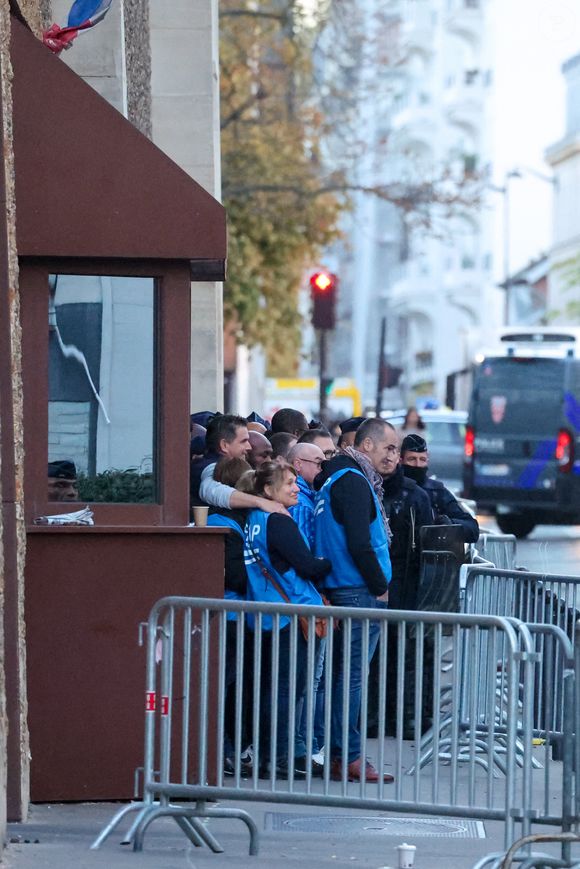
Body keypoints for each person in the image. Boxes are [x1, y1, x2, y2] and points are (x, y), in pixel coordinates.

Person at [313, 417, 393, 783]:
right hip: (358, 589)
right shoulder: (353, 482)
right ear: (366, 446)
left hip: (342, 586)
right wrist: (379, 584)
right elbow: (360, 543)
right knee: (351, 679)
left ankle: (340, 753)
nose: (394, 456)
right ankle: (349, 756)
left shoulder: (331, 478)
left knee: (341, 678)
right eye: (389, 448)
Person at [244, 462, 331, 777]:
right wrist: (327, 562)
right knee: (287, 691)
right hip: (292, 614)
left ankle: (270, 757)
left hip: (268, 614)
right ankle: (279, 759)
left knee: (273, 689)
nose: (296, 488)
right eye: (289, 483)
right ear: (268, 490)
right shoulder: (279, 521)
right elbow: (307, 565)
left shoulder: (254, 518)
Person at [206, 458, 253, 776]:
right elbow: (234, 574)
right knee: (225, 686)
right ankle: (220, 750)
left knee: (233, 685)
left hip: (237, 614)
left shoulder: (234, 520)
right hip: (229, 614)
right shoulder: (223, 523)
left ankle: (229, 749)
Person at [192, 414, 287, 517]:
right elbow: (210, 489)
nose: (249, 447)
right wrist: (261, 502)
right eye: (244, 441)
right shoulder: (209, 467)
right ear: (224, 445)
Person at [400, 433, 479, 543]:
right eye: (412, 459)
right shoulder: (392, 488)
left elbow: (472, 529)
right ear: (401, 460)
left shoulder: (436, 492)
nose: (417, 464)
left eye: (422, 459)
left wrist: (449, 524)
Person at [287, 442, 325, 547]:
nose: (322, 469)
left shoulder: (304, 497)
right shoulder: (299, 502)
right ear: (298, 464)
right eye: (319, 463)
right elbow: (304, 549)